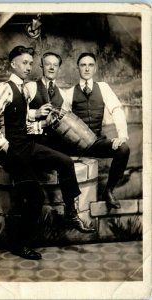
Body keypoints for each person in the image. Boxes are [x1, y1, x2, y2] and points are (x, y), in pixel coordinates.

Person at [0, 46, 94, 260]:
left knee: (64, 162)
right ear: (12, 64)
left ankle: (71, 213)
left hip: (27, 145)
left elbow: (22, 123)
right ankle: (19, 244)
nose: (28, 67)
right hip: (12, 150)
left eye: (30, 63)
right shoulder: (4, 88)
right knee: (36, 195)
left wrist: (42, 124)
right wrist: (3, 146)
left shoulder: (23, 90)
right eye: (24, 63)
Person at [65, 52, 130, 210]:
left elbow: (116, 109)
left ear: (95, 69)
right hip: (75, 146)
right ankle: (71, 208)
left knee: (123, 149)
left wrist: (121, 135)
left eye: (90, 65)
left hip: (96, 143)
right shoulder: (69, 93)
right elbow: (63, 121)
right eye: (83, 65)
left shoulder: (103, 88)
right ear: (78, 68)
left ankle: (108, 191)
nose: (87, 68)